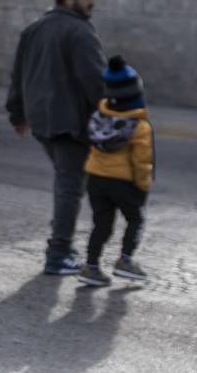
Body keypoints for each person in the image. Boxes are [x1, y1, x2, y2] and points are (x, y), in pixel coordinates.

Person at [6, 0, 107, 276]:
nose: (92, 2)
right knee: (70, 186)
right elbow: (96, 83)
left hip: (43, 122)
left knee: (69, 182)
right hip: (71, 123)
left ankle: (62, 244)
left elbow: (18, 75)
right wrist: (115, 116)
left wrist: (18, 114)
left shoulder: (34, 28)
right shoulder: (80, 32)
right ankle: (59, 252)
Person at [78, 56, 153, 287]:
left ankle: (91, 267)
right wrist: (143, 185)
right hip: (124, 182)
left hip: (96, 180)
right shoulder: (139, 126)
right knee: (136, 219)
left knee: (101, 224)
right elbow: (142, 162)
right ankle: (125, 260)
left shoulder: (98, 117)